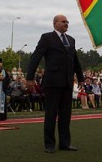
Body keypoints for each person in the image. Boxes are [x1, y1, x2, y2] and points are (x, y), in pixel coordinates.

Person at [26, 14, 84, 153]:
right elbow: (36, 57)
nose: (66, 23)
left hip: (67, 82)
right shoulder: (47, 38)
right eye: (64, 21)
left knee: (66, 115)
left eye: (67, 21)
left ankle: (65, 143)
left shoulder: (71, 40)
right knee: (51, 114)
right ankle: (49, 144)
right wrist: (29, 77)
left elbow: (75, 60)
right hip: (52, 82)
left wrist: (80, 77)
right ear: (55, 23)